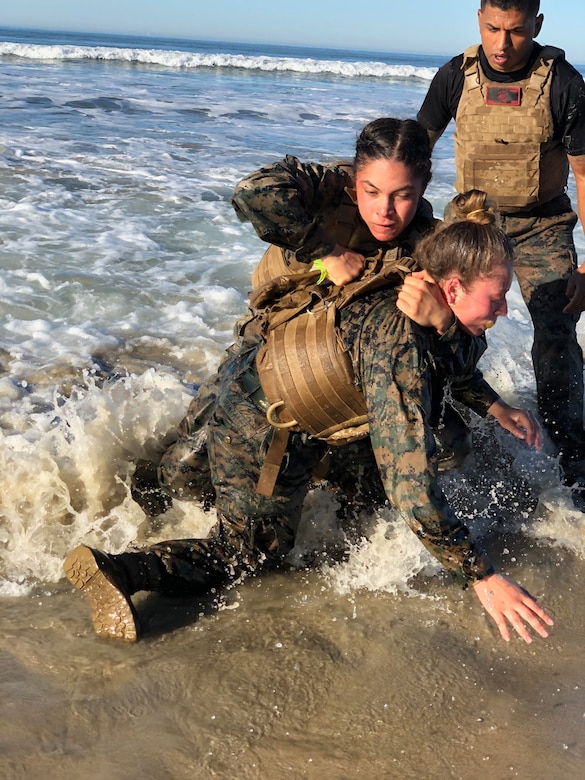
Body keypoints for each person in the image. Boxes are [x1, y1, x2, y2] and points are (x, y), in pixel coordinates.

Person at [63, 178, 554, 646]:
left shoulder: (425, 290)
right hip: (265, 424)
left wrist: (495, 406)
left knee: (427, 450)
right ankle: (119, 570)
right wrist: (480, 575)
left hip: (286, 396)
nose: (505, 310)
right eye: (497, 297)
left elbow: (449, 361)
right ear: (450, 290)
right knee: (248, 555)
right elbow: (410, 483)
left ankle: (187, 473)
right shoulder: (402, 345)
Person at [416, 0, 585, 499]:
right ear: (479, 20)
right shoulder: (455, 76)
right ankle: (440, 428)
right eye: (493, 29)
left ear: (536, 25)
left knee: (557, 334)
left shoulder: (564, 83)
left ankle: (572, 453)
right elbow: (414, 151)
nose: (502, 44)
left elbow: (584, 174)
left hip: (541, 224)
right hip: (472, 221)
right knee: (435, 323)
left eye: (515, 31)